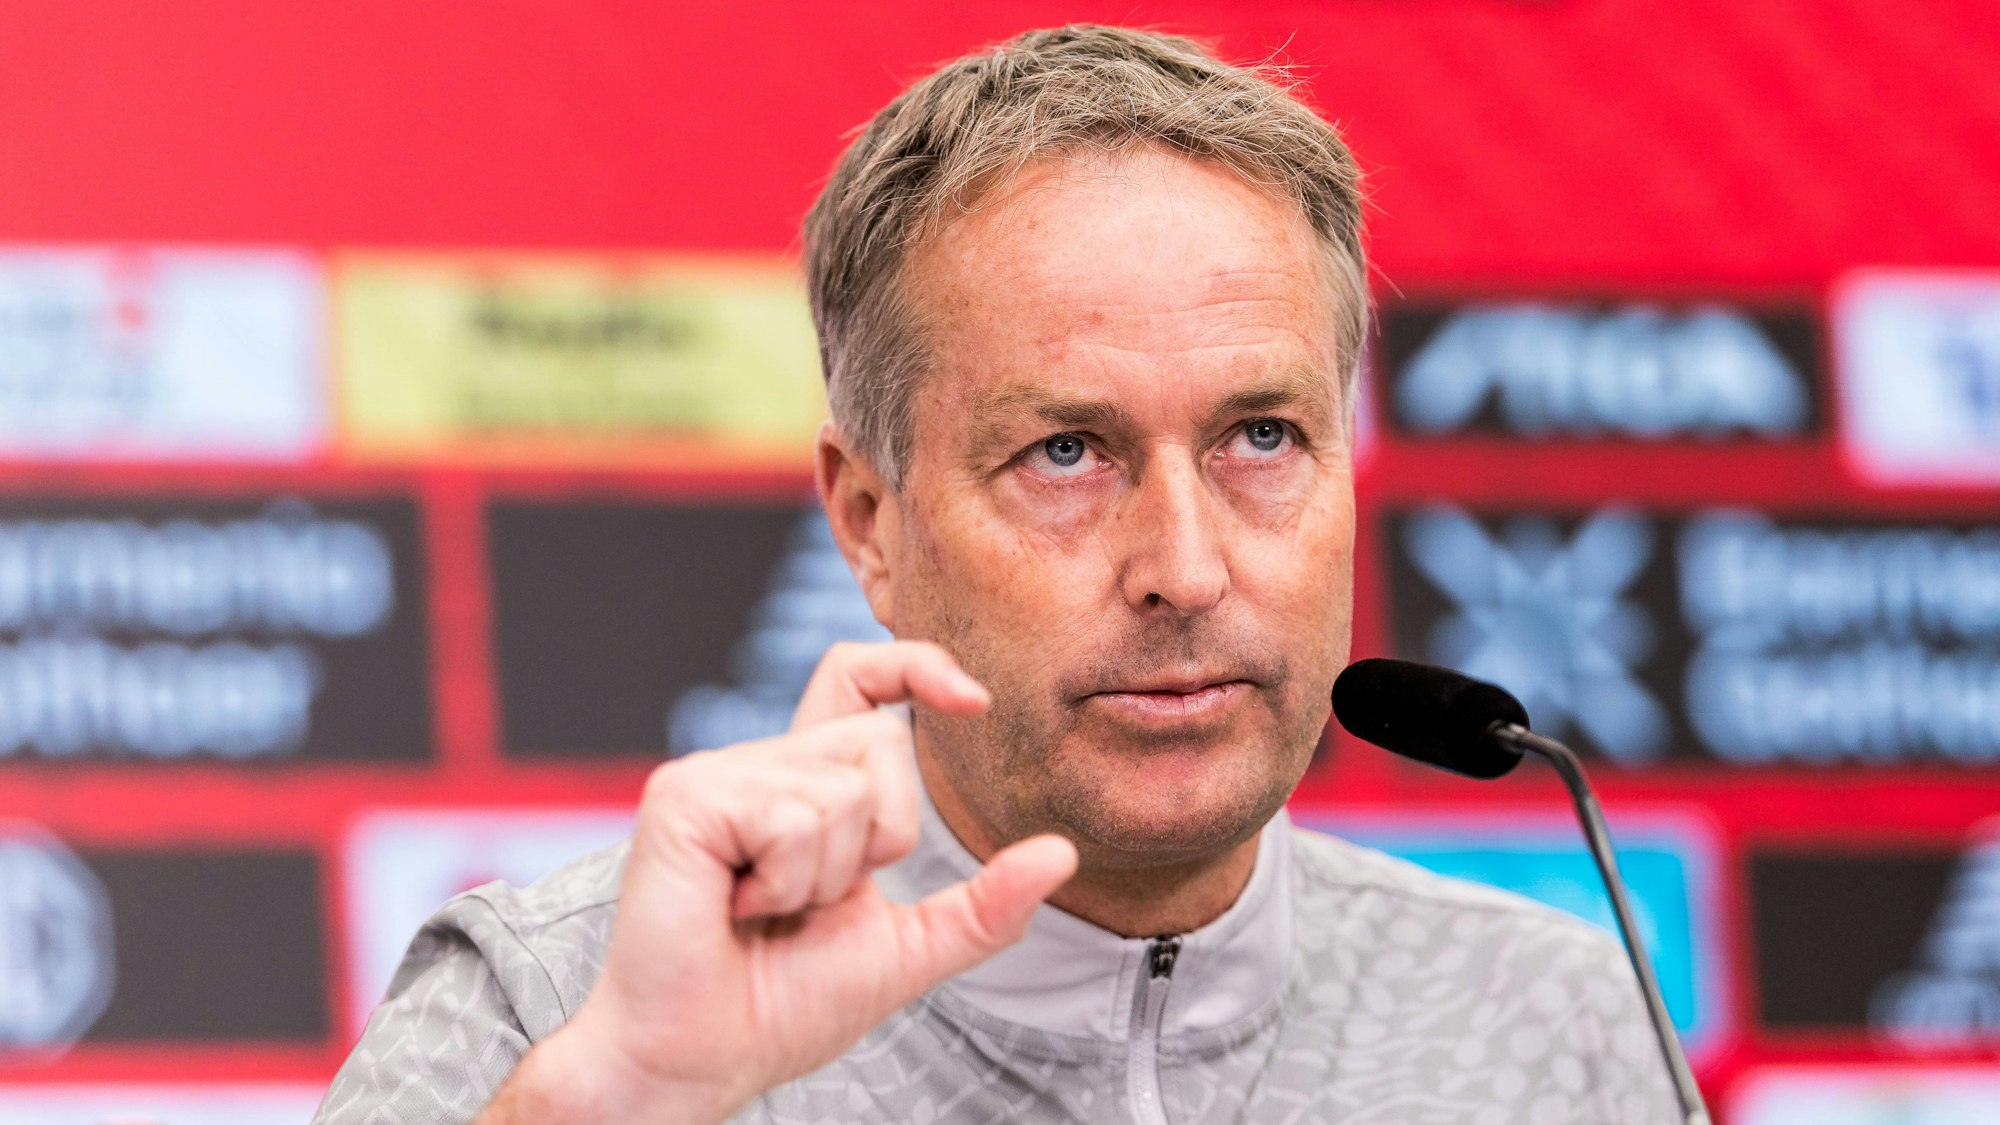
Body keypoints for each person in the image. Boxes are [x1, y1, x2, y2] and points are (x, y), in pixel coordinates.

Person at [314, 25, 1679, 1125]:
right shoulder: (558, 1006)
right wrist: (621, 1104)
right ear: (868, 522)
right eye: (1066, 451)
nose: (1186, 568)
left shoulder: (1549, 1013)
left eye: (1261, 436)